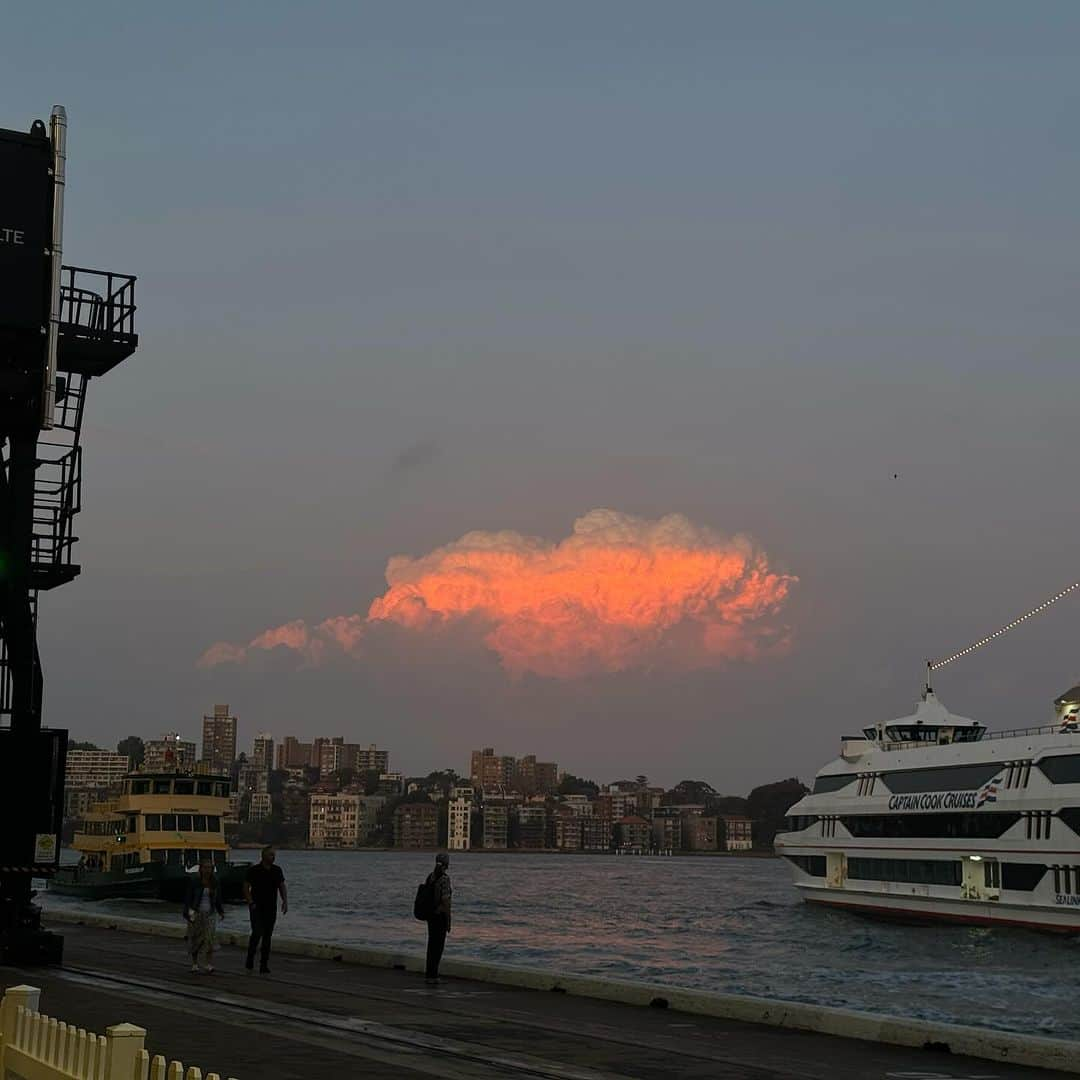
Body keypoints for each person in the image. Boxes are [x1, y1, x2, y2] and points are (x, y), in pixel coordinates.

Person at [244, 845, 287, 973]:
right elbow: (246, 887)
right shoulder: (254, 870)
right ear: (263, 856)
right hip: (256, 906)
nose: (273, 857)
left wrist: (285, 901)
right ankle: (250, 958)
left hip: (270, 907)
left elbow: (281, 886)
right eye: (270, 855)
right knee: (257, 933)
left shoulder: (277, 870)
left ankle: (264, 964)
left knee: (267, 936)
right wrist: (250, 902)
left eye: (274, 855)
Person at [184, 857, 225, 974]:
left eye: (210, 868)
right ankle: (195, 963)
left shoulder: (215, 882)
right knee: (196, 938)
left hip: (210, 913)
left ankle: (208, 963)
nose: (208, 870)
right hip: (196, 912)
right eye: (205, 868)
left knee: (209, 938)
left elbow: (218, 899)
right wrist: (187, 913)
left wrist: (221, 911)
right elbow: (188, 898)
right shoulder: (194, 882)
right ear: (201, 869)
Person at [424, 852, 452, 985]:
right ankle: (433, 976)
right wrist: (449, 920)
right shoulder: (444, 879)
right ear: (447, 864)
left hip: (430, 916)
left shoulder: (431, 877)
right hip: (440, 916)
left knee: (431, 945)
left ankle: (429, 973)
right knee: (438, 946)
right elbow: (446, 901)